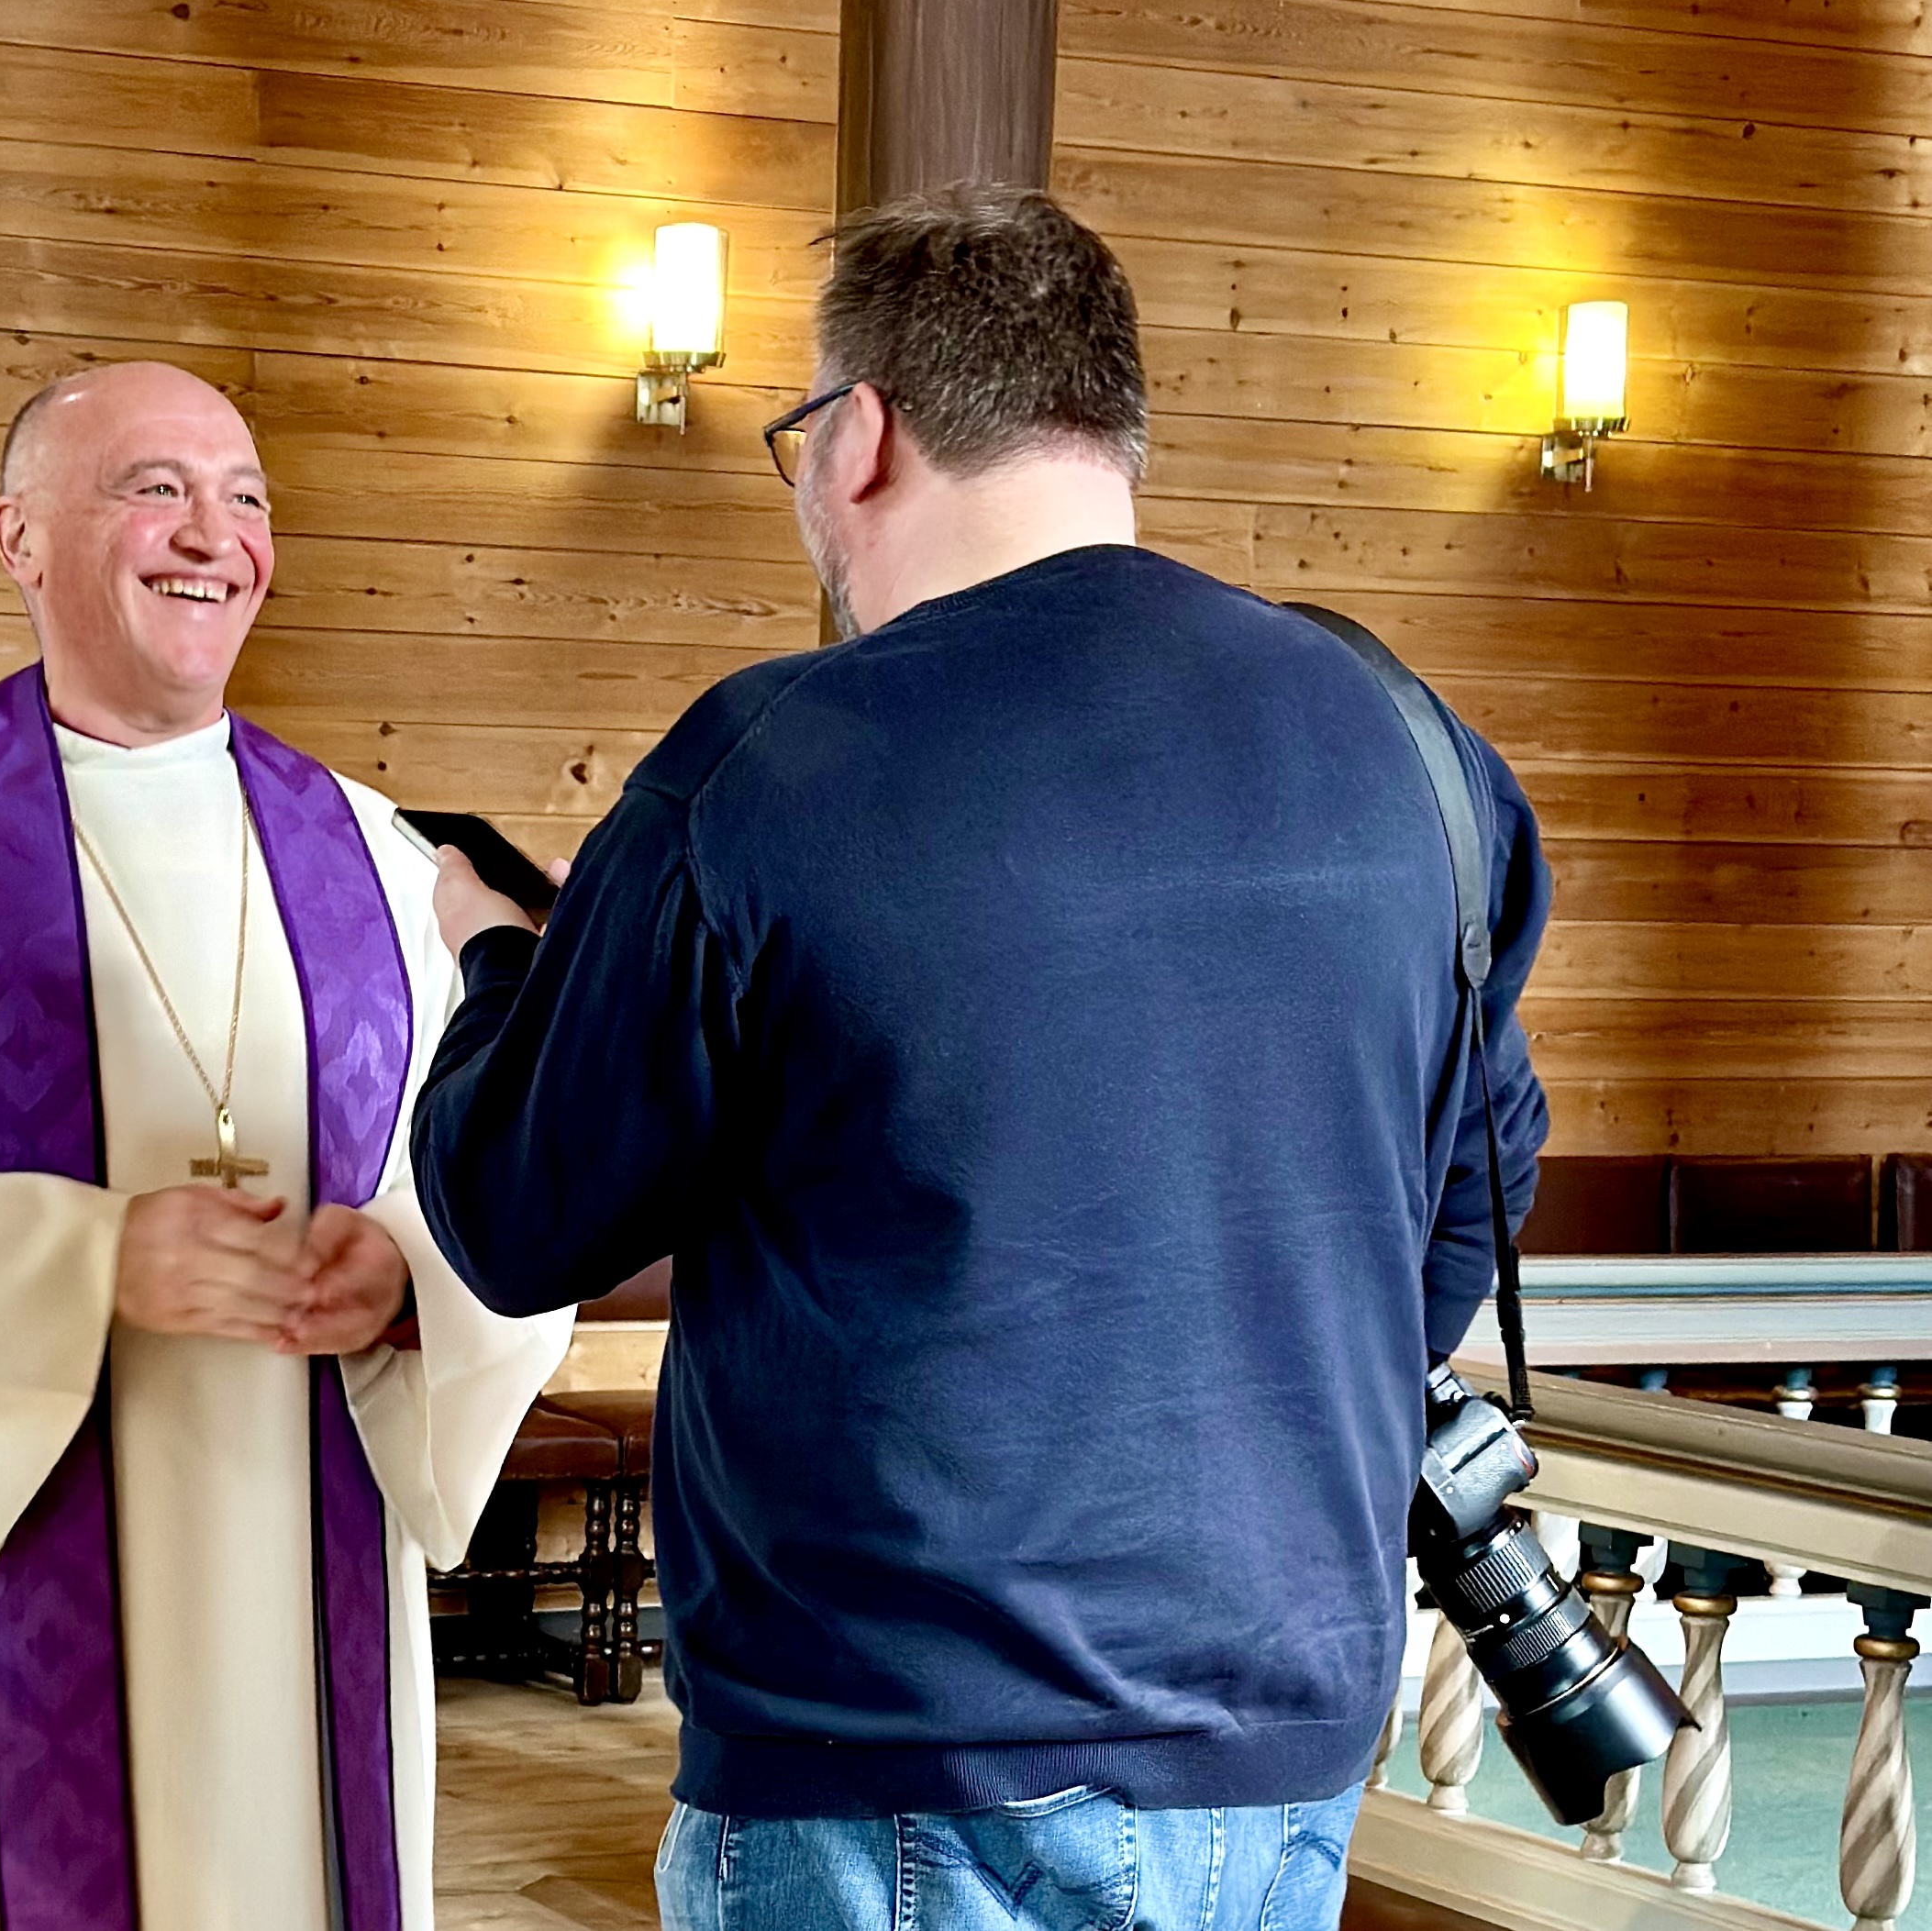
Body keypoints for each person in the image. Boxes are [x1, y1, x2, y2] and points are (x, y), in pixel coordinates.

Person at [408, 188, 1550, 1931]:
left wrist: (494, 956)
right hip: (1287, 1730)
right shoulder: (1411, 742)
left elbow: (512, 1213)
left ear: (857, 435)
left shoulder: (772, 762)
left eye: (800, 432)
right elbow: (1470, 1191)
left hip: (898, 1755)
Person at [0, 360, 572, 1931]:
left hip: (297, 1581)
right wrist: (94, 1257)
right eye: (153, 486)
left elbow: (508, 1158)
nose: (213, 532)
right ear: (18, 538)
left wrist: (406, 1271)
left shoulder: (378, 860)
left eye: (245, 497)